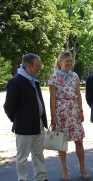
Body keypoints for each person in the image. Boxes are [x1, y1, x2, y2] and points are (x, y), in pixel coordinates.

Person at [4, 53, 48, 181]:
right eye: (37, 65)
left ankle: (41, 178)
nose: (39, 68)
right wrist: (19, 120)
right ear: (28, 66)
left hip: (38, 123)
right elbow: (8, 107)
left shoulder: (34, 80)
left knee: (38, 154)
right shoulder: (15, 82)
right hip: (24, 126)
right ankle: (22, 179)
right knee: (22, 157)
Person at [48, 51, 89, 180]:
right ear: (60, 62)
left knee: (79, 141)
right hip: (61, 112)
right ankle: (64, 171)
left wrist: (81, 111)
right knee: (62, 143)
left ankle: (83, 169)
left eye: (71, 61)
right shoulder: (53, 77)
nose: (70, 63)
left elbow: (78, 94)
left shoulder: (75, 76)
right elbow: (52, 98)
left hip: (74, 111)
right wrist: (53, 117)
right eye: (67, 61)